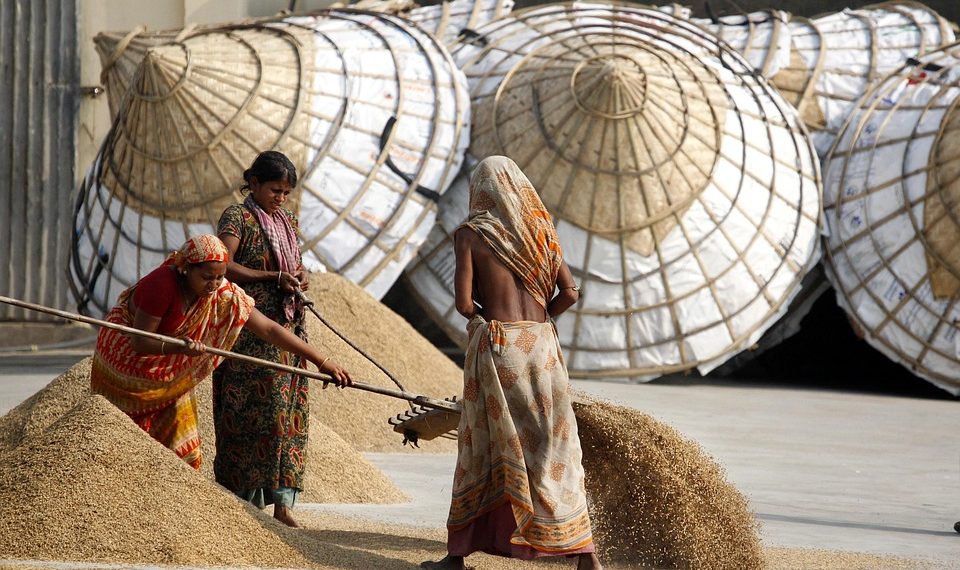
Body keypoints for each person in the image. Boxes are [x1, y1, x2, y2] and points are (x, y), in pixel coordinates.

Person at [421, 156, 602, 570]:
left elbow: (465, 304)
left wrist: (492, 320)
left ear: (480, 191)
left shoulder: (470, 234)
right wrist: (538, 321)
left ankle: (456, 556)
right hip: (542, 349)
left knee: (483, 446)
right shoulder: (541, 232)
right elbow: (570, 294)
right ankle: (586, 556)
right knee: (555, 450)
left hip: (502, 351)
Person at [90, 234, 351, 479]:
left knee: (180, 442)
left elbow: (270, 329)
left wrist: (322, 362)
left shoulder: (222, 293)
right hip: (124, 365)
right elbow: (140, 341)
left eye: (220, 277)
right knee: (120, 440)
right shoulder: (161, 284)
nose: (213, 285)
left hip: (167, 372)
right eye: (206, 277)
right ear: (185, 268)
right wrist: (179, 348)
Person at [213, 150, 324, 528]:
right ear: (254, 183)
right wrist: (271, 278)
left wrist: (298, 277)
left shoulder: (286, 220)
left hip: (289, 330)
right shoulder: (237, 217)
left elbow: (293, 262)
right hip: (250, 336)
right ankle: (239, 503)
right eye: (274, 189)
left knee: (288, 418)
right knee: (251, 417)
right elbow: (221, 265)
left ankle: (282, 506)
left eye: (286, 192)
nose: (280, 198)